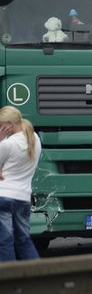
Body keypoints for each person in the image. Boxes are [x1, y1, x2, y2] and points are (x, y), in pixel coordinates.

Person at [0, 106, 41, 262]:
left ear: (9, 124)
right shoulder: (35, 139)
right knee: (23, 240)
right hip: (23, 198)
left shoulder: (7, 144)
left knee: (5, 242)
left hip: (3, 196)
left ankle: (8, 281)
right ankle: (39, 277)